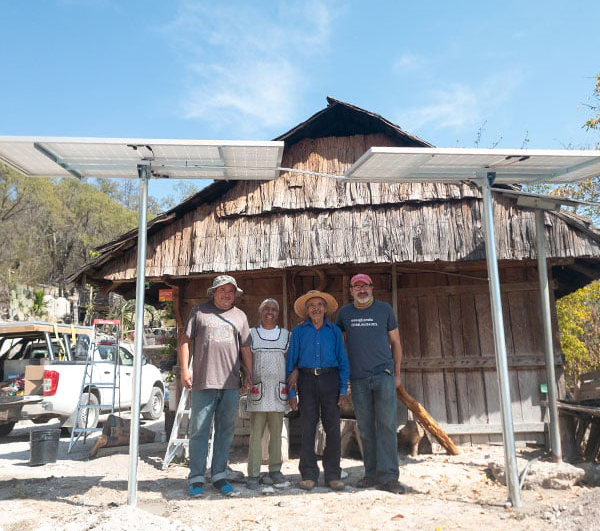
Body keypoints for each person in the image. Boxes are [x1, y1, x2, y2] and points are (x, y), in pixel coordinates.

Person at [179, 274, 253, 497]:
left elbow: (246, 349)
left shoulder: (240, 316)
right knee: (199, 431)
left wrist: (249, 373)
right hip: (204, 381)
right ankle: (196, 478)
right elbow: (185, 340)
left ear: (235, 295)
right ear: (214, 292)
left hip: (231, 383)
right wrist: (185, 369)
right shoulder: (199, 311)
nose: (226, 294)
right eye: (222, 290)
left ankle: (219, 475)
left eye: (231, 291)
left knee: (225, 430)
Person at [335, 273, 407, 494]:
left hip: (383, 375)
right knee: (365, 428)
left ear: (372, 288)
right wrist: (342, 378)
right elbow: (340, 346)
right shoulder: (344, 313)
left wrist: (396, 374)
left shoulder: (384, 309)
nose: (361, 290)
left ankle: (389, 476)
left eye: (365, 286)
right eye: (356, 287)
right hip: (357, 379)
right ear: (351, 291)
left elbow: (396, 343)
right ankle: (371, 474)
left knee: (386, 425)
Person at [286, 290, 350, 491]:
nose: (316, 308)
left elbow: (343, 362)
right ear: (306, 310)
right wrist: (291, 393)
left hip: (330, 379)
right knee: (308, 426)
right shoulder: (298, 332)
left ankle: (332, 475)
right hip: (306, 380)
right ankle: (309, 474)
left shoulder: (334, 331)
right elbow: (291, 362)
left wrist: (342, 389)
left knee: (332, 427)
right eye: (311, 305)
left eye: (319, 305)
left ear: (325, 308)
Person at [246, 298, 291, 490]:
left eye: (274, 309)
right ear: (260, 312)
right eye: (266, 309)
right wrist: (247, 376)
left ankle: (275, 470)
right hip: (259, 388)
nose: (270, 312)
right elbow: (244, 359)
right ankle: (254, 474)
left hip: (278, 389)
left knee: (276, 431)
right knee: (256, 433)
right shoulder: (251, 334)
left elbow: (290, 361)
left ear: (278, 313)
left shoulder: (285, 335)